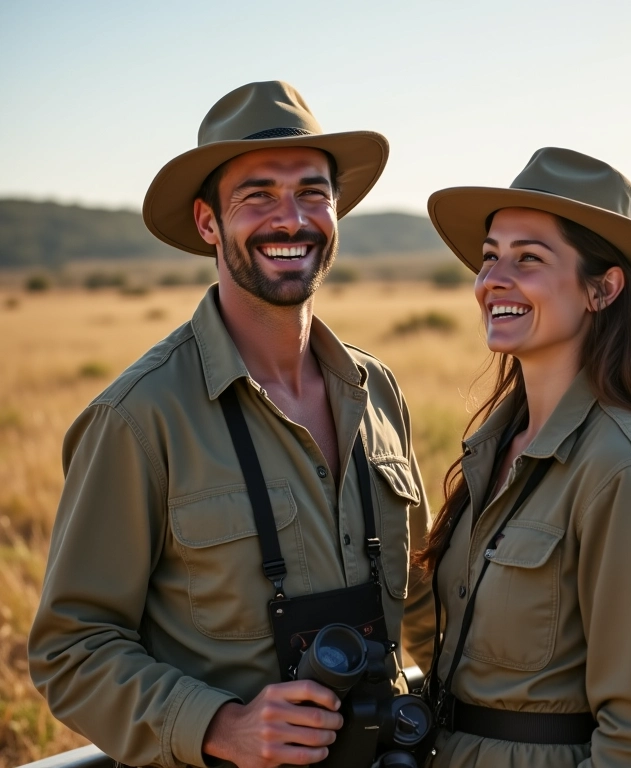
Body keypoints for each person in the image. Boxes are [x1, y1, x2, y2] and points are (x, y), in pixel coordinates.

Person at [28, 81, 434, 768]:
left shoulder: (377, 390)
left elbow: (422, 599)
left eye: (313, 192)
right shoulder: (138, 417)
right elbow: (71, 648)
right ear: (208, 223)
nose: (291, 219)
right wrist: (220, 726)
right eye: (257, 196)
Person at [415, 147, 631, 767]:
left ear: (602, 288)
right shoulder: (495, 447)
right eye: (489, 257)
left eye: (528, 258)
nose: (493, 280)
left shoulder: (627, 471)